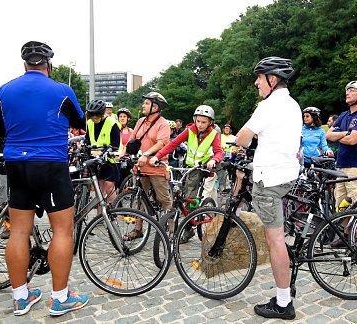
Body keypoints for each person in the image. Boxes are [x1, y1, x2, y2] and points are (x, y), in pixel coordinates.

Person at [0, 41, 88, 316]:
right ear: (49, 65)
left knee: (18, 231)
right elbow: (80, 122)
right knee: (63, 230)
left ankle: (20, 297)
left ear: (24, 65)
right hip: (50, 164)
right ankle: (60, 297)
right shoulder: (62, 90)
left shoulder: (5, 89)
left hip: (17, 163)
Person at [236, 56, 301, 320]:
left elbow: (242, 136)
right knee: (280, 236)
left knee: (275, 241)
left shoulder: (268, 104)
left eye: (259, 78)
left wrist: (245, 142)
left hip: (269, 180)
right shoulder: (293, 104)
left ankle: (284, 303)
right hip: (287, 175)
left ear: (272, 80)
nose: (256, 83)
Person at [150, 105, 224, 243]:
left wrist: (214, 160)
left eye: (204, 122)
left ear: (210, 123)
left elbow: (219, 151)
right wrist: (158, 156)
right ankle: (187, 214)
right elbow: (173, 144)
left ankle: (189, 227)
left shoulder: (213, 134)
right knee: (179, 193)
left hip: (203, 168)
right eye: (198, 121)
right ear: (194, 119)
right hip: (188, 168)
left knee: (190, 197)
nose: (200, 125)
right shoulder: (189, 131)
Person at [325, 80, 357, 247]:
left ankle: (356, 241)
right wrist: (346, 133)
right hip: (341, 166)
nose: (347, 93)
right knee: (343, 205)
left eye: (352, 90)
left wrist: (341, 135)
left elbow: (353, 140)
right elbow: (328, 135)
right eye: (347, 90)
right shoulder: (344, 115)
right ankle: (346, 238)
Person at [119, 91, 172, 240]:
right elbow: (131, 140)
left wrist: (147, 154)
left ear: (155, 107)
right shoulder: (141, 121)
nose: (143, 105)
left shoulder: (163, 124)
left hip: (156, 166)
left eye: (147, 103)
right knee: (139, 198)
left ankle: (173, 231)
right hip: (140, 166)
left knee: (164, 200)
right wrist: (121, 154)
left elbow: (161, 143)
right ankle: (138, 229)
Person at [85, 100, 122, 216]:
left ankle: (113, 213)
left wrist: (101, 153)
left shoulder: (111, 123)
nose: (94, 117)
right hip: (96, 160)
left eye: (96, 115)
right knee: (99, 187)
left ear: (102, 114)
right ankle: (100, 216)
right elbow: (87, 140)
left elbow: (116, 144)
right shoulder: (90, 123)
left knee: (110, 186)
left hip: (111, 158)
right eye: (91, 115)